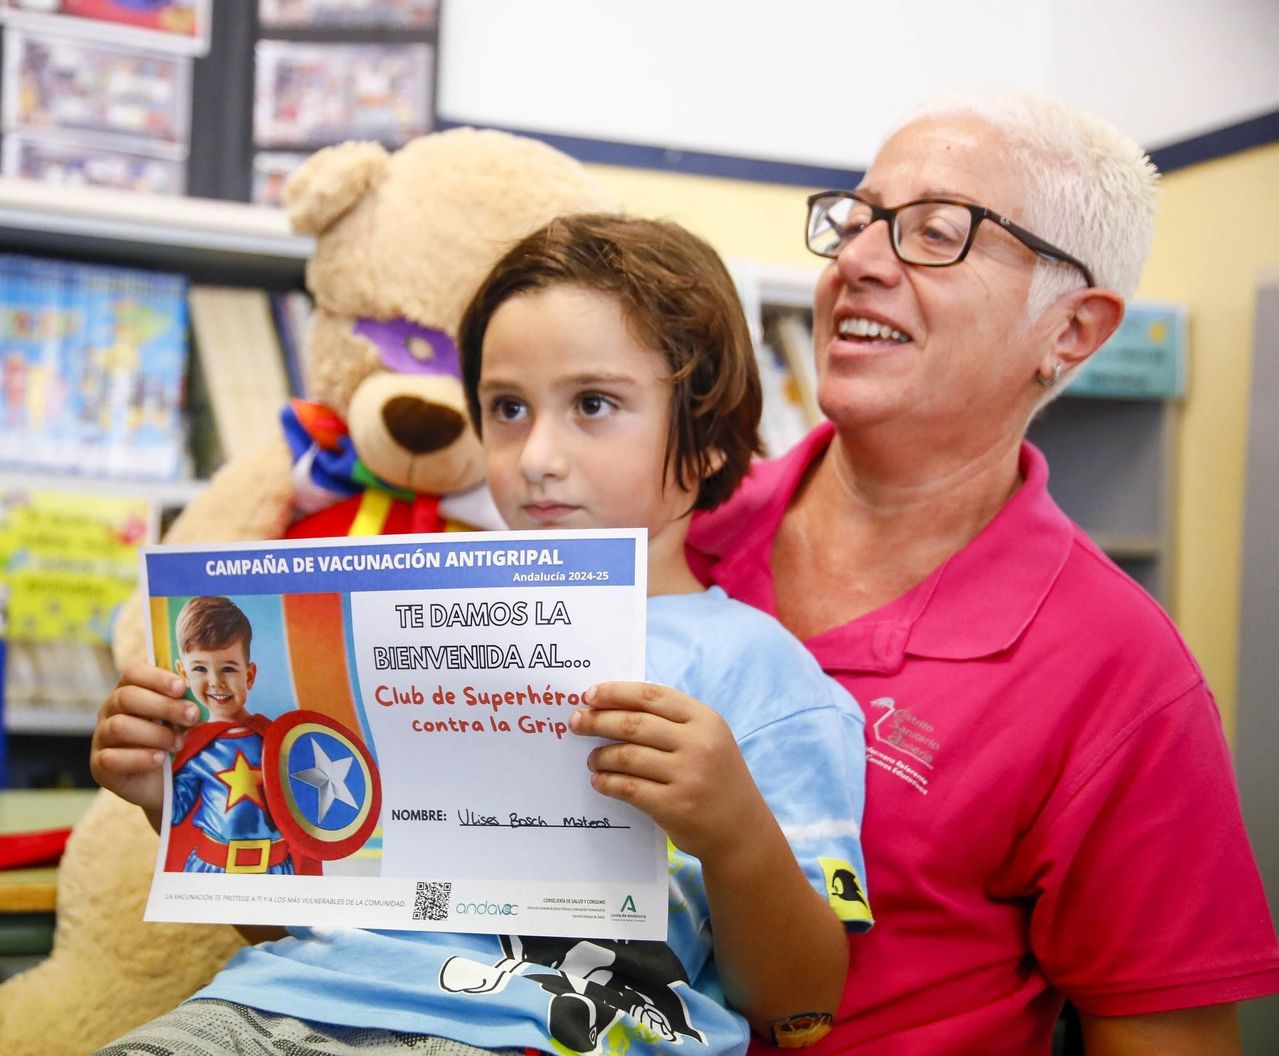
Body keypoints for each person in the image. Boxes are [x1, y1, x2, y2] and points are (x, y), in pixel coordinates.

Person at [89, 214, 871, 1056]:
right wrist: (176, 800)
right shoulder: (402, 611)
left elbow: (800, 1005)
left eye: (594, 404)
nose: (536, 454)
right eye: (506, 408)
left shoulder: (758, 672)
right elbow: (304, 920)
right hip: (277, 1008)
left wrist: (735, 830)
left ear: (710, 440)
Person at [684, 89, 1279, 1055]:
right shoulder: (679, 534)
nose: (858, 261)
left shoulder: (1121, 675)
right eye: (859, 219)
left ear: (1073, 331)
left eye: (935, 232)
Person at [163, 596, 300, 875]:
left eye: (228, 668)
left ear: (249, 676)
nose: (215, 681)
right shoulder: (194, 746)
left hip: (276, 869)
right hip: (212, 869)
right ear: (183, 673)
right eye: (200, 668)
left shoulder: (275, 739)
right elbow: (173, 811)